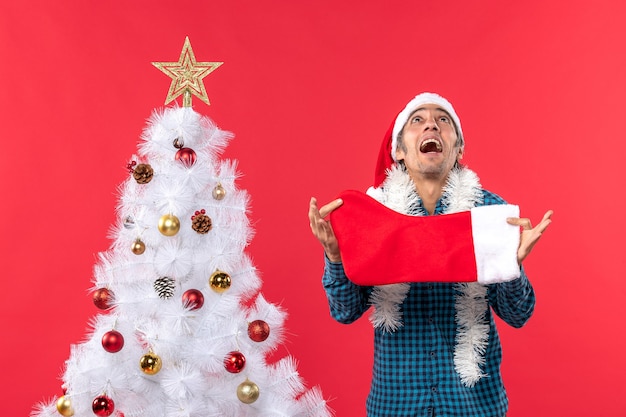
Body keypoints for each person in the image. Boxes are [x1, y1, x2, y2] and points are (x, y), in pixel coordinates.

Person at [308, 92, 553, 417]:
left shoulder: (489, 213)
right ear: (398, 150)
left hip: (474, 406)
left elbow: (518, 315)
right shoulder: (373, 214)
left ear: (459, 149)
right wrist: (336, 257)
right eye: (417, 120)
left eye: (443, 120)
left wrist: (512, 264)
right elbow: (345, 312)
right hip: (395, 404)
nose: (432, 126)